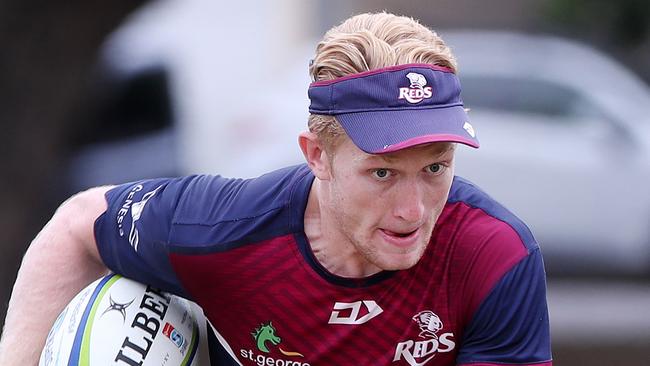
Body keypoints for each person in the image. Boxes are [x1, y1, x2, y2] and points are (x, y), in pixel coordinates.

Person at [0, 12, 552, 365]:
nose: (413, 210)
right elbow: (77, 225)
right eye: (382, 173)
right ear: (318, 157)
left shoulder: (494, 256)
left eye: (435, 168)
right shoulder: (222, 230)